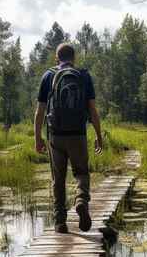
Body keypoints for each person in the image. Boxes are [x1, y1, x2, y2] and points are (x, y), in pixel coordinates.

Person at [34, 43, 103, 234]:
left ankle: (60, 222)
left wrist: (38, 138)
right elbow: (92, 110)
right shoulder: (84, 76)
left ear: (57, 58)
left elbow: (40, 111)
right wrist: (99, 136)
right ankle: (81, 201)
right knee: (81, 173)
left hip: (55, 135)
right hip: (78, 134)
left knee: (58, 179)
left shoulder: (48, 76)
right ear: (74, 58)